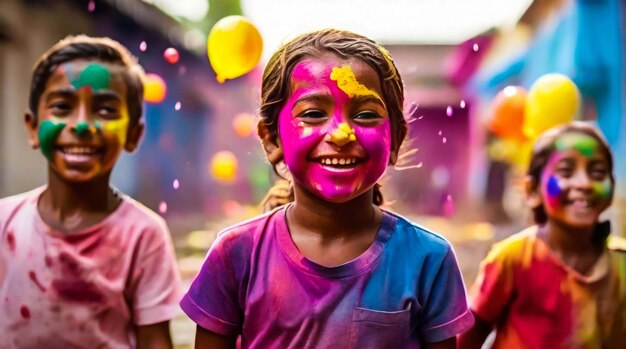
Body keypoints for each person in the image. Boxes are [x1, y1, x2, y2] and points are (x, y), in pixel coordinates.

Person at [181, 28, 474, 349]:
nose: (341, 133)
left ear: (395, 140)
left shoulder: (427, 259)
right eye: (313, 114)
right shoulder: (236, 254)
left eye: (364, 115)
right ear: (271, 139)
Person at [0, 35, 182, 348]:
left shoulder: (143, 235)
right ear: (32, 127)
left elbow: (154, 342)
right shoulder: (4, 223)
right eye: (62, 107)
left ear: (133, 134)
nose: (82, 124)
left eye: (106, 111)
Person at [459, 121, 626, 348]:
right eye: (566, 171)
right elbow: (471, 333)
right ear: (533, 190)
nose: (584, 183)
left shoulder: (621, 264)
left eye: (597, 172)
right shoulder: (514, 259)